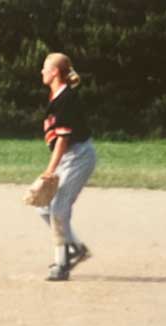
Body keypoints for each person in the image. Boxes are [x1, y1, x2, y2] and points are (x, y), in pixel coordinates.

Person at [38, 52, 97, 281]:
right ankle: (75, 248)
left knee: (59, 208)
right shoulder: (56, 97)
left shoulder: (66, 99)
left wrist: (49, 170)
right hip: (68, 158)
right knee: (43, 207)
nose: (41, 71)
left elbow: (63, 139)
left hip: (79, 156)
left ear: (54, 72)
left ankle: (61, 264)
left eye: (45, 67)